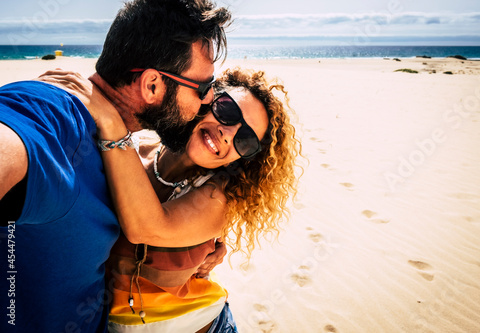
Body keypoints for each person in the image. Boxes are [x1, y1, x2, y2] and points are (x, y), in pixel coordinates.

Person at [0, 0, 231, 332]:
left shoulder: (119, 142)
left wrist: (203, 245)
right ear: (152, 85)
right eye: (204, 88)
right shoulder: (58, 115)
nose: (208, 100)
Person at [43, 67, 301, 332]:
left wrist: (110, 119)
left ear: (242, 159)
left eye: (245, 140)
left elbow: (146, 227)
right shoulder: (133, 150)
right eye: (227, 110)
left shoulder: (218, 199)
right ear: (207, 100)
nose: (228, 132)